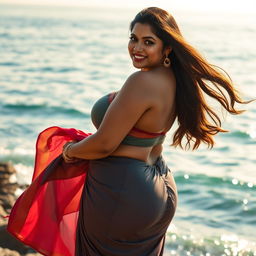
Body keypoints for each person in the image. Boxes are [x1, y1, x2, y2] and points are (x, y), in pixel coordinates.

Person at [61, 6, 246, 256]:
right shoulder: (174, 80)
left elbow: (105, 143)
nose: (137, 48)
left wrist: (70, 151)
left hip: (122, 190)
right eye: (133, 39)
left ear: (167, 47)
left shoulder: (141, 82)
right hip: (159, 187)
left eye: (148, 42)